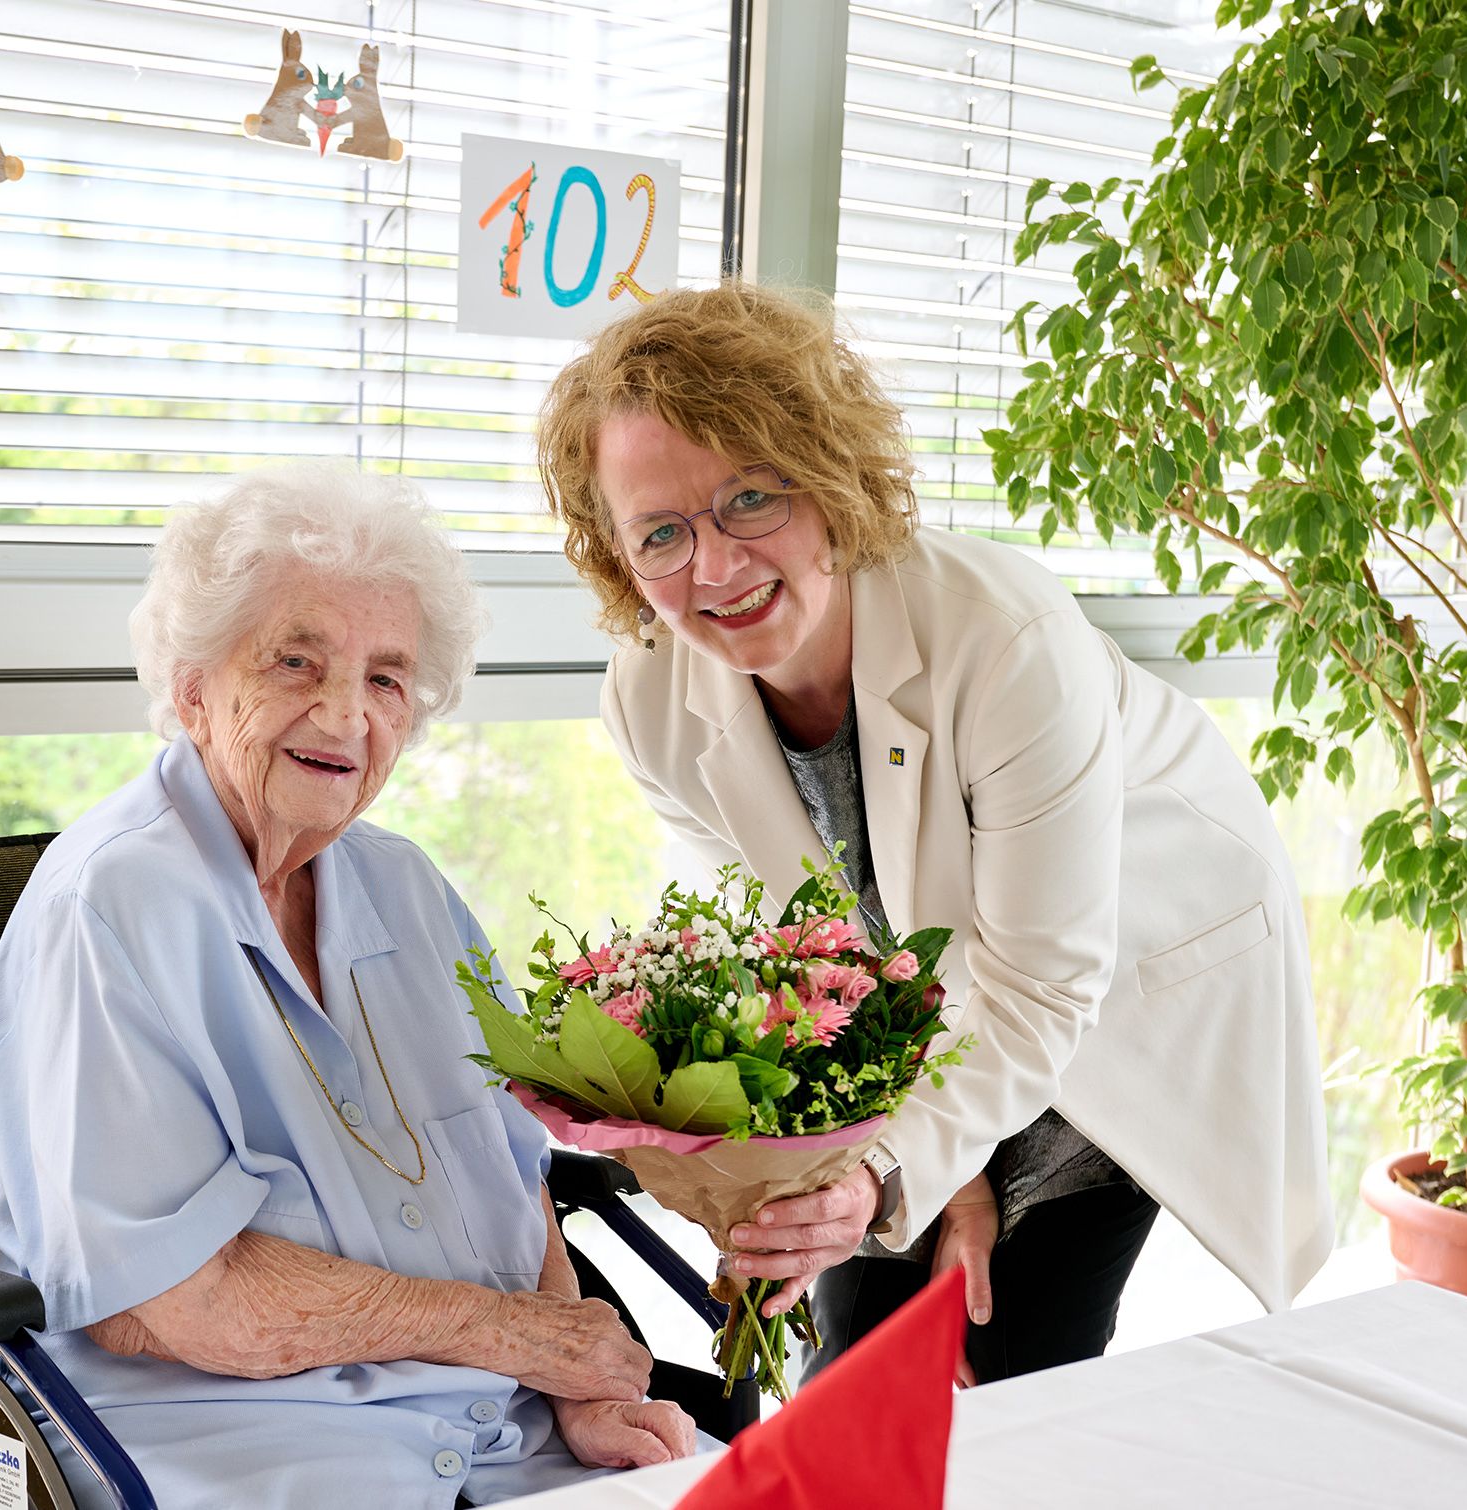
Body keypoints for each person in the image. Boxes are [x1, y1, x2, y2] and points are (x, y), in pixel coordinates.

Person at [537, 283, 1333, 1386]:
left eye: (749, 499)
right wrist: (919, 1171)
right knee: (857, 1370)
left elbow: (1038, 987)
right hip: (925, 1013)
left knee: (1007, 1362)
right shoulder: (651, 696)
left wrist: (883, 1173)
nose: (710, 569)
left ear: (827, 475)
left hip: (1118, 980)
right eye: (659, 533)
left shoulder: (1004, 640)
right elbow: (793, 961)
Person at [0, 466, 698, 1507]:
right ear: (191, 687)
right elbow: (178, 1302)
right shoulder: (109, 909)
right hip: (242, 1447)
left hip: (502, 1430)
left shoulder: (406, 887)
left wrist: (577, 1392)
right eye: (295, 662)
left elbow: (512, 1174)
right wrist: (516, 1338)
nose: (345, 714)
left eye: (387, 679)